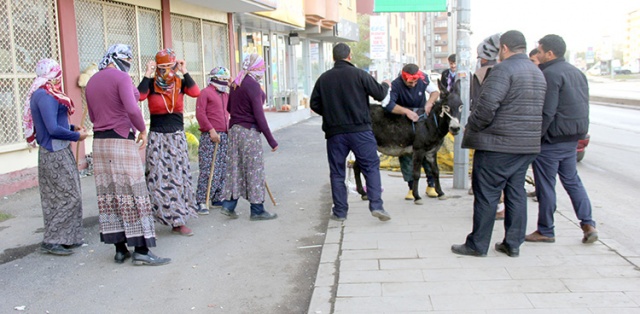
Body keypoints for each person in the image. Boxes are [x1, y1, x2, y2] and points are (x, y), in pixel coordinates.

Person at [451, 30, 546, 257]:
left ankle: (477, 244)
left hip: (498, 144)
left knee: (487, 194)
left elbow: (486, 108)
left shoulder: (502, 70)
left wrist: (471, 126)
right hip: (526, 145)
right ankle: (512, 244)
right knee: (516, 193)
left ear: (504, 48)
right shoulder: (537, 72)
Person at [86, 44, 170, 265]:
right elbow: (132, 108)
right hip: (120, 138)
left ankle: (120, 249)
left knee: (111, 194)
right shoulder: (121, 78)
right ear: (119, 59)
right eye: (128, 59)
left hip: (100, 143)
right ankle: (141, 250)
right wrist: (142, 129)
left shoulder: (93, 80)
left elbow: (93, 115)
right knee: (134, 192)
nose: (129, 63)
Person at [525, 34, 598, 244]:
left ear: (549, 53)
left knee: (546, 185)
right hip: (572, 138)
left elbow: (547, 112)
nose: (537, 55)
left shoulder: (549, 74)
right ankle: (588, 223)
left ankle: (546, 230)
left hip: (551, 140)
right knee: (572, 181)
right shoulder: (577, 73)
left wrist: (535, 137)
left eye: (539, 51)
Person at [310, 43, 391, 222]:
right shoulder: (360, 75)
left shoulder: (324, 78)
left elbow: (314, 104)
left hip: (335, 133)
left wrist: (331, 114)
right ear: (350, 56)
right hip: (360, 131)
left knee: (337, 172)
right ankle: (376, 205)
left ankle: (340, 212)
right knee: (370, 167)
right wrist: (385, 85)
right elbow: (379, 94)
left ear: (333, 58)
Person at [24, 58, 88, 256]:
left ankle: (66, 238)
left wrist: (70, 127)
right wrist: (77, 136)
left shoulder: (42, 93)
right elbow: (51, 129)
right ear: (53, 76)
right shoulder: (45, 96)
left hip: (55, 151)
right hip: (55, 153)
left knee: (58, 197)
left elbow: (50, 124)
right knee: (70, 196)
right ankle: (53, 240)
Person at [138, 48, 201, 236]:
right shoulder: (151, 85)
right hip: (158, 138)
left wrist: (185, 70)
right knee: (158, 180)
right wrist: (147, 74)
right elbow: (139, 96)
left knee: (178, 179)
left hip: (176, 137)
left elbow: (196, 92)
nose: (167, 70)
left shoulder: (180, 83)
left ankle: (178, 220)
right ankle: (159, 216)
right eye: (162, 66)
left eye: (171, 65)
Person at [219, 53, 278, 221]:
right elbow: (259, 115)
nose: (263, 70)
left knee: (235, 168)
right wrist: (271, 140)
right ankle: (257, 209)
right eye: (261, 67)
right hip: (248, 133)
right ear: (255, 68)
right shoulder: (252, 84)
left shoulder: (237, 83)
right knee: (254, 169)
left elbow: (230, 107)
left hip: (235, 131)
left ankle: (228, 206)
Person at [383, 64, 440, 200]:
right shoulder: (396, 85)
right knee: (407, 155)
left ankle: (431, 184)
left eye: (416, 82)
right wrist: (406, 111)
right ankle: (411, 187)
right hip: (404, 122)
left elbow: (435, 92)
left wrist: (429, 103)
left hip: (422, 119)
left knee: (428, 152)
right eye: (410, 82)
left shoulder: (424, 78)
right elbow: (387, 105)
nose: (414, 84)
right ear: (403, 78)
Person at [195, 66, 231, 215]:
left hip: (224, 134)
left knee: (222, 167)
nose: (225, 82)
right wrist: (210, 130)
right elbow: (200, 114)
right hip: (211, 135)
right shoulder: (205, 93)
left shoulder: (225, 95)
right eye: (223, 79)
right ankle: (202, 200)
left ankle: (217, 197)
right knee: (208, 168)